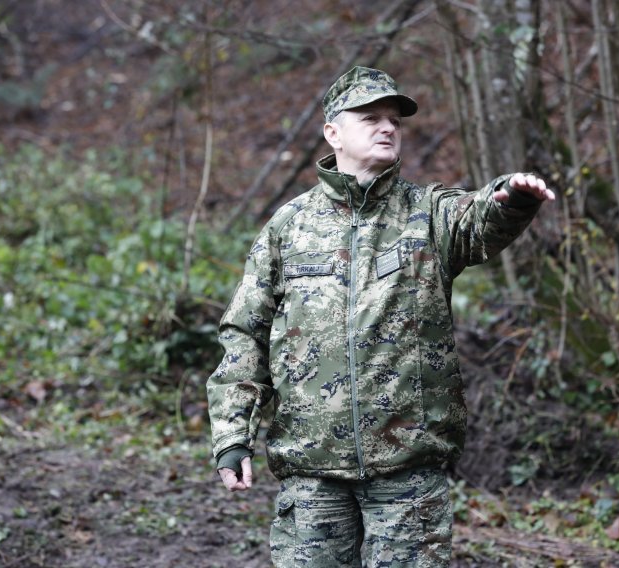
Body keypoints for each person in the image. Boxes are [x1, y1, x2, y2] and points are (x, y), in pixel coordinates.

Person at [207, 65, 555, 567]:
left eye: (394, 119)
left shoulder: (428, 213)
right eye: (370, 118)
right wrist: (232, 436)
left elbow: (479, 218)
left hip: (408, 476)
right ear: (333, 133)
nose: (388, 128)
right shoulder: (290, 227)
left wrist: (512, 198)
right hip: (312, 474)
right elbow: (245, 332)